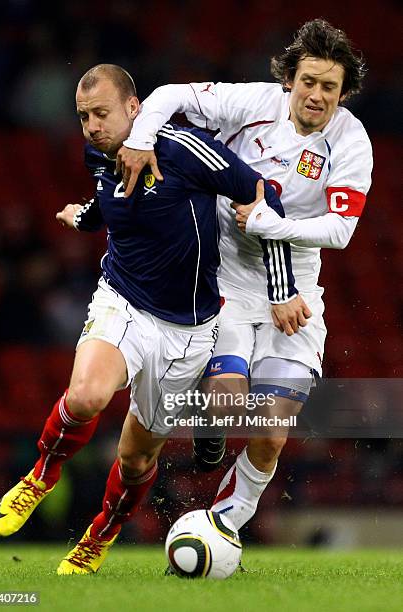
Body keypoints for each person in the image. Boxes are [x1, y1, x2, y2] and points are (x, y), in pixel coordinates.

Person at [0, 64, 301, 574]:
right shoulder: (99, 153)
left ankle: (100, 535)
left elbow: (260, 192)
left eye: (101, 114)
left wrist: (281, 284)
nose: (91, 126)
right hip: (123, 300)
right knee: (87, 395)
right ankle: (41, 476)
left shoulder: (184, 149)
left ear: (135, 109)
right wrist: (86, 216)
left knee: (136, 459)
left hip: (189, 331)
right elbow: (116, 204)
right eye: (83, 116)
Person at [116, 19, 373, 532]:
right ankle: (211, 424)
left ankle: (223, 524)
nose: (317, 95)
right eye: (309, 81)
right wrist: (142, 140)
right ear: (289, 80)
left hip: (297, 293)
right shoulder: (253, 103)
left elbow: (341, 230)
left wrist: (269, 223)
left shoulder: (350, 139)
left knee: (272, 431)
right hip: (225, 282)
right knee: (229, 401)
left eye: (329, 87)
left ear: (343, 93)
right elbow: (169, 95)